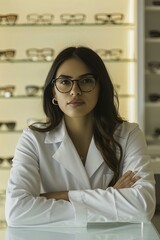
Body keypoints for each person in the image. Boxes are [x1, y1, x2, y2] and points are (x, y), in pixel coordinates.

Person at [5, 46, 155, 227]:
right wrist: (109, 195)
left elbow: (142, 206)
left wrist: (63, 196)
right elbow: (17, 212)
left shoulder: (128, 134)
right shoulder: (33, 139)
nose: (75, 91)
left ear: (101, 88)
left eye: (86, 81)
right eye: (65, 82)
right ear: (53, 91)